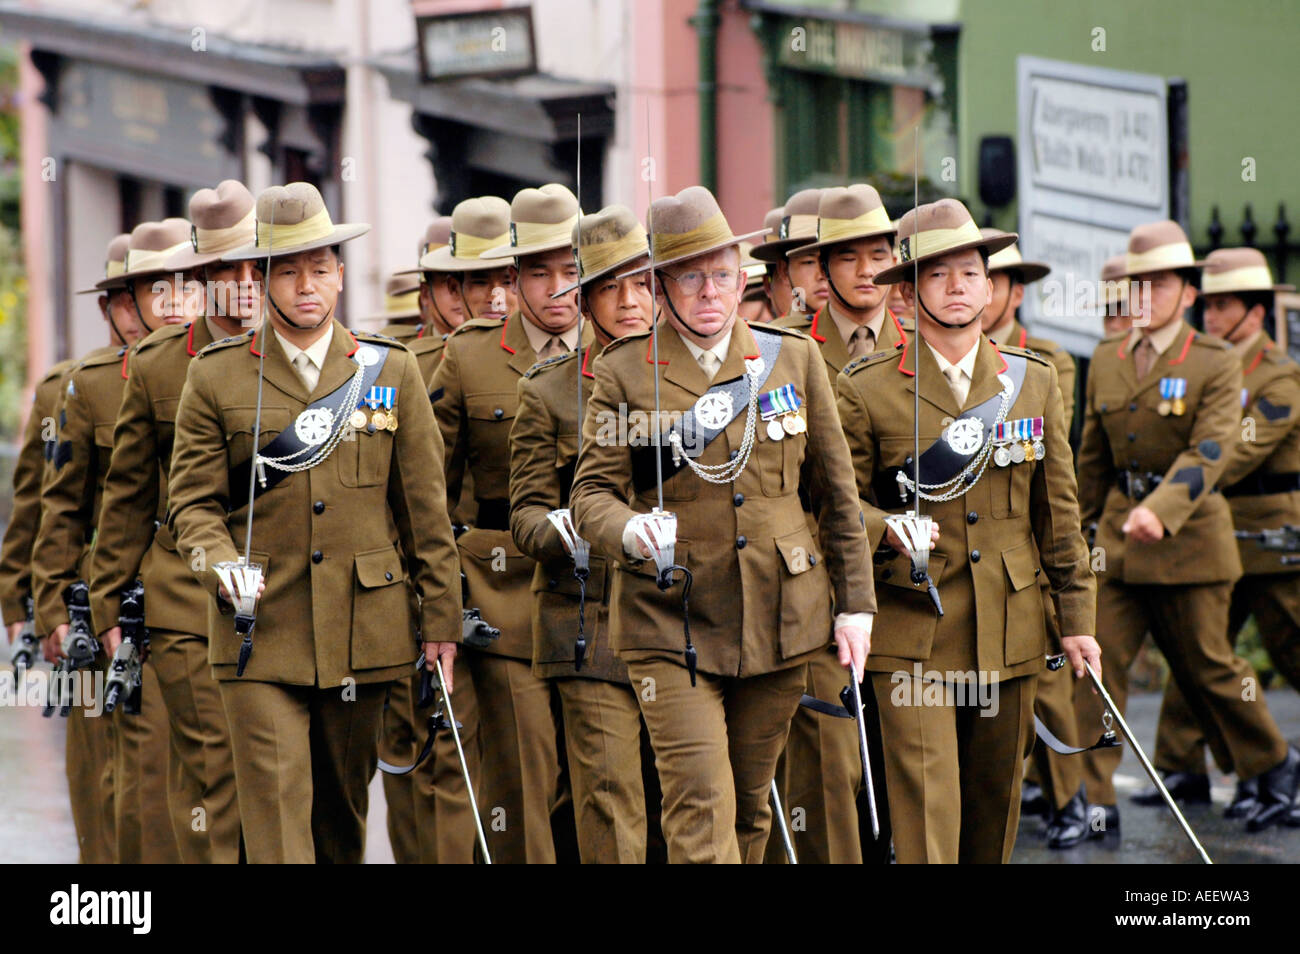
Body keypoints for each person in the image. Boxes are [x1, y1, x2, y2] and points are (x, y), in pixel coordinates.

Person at [570, 185, 875, 863]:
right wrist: (627, 531)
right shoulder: (623, 373)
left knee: (747, 807)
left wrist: (856, 606)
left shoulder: (788, 357)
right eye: (691, 276)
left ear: (744, 278)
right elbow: (591, 493)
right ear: (660, 287)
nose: (711, 291)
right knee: (701, 803)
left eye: (723, 274)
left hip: (779, 615)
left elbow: (835, 494)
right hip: (670, 617)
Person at [166, 182, 461, 863]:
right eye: (290, 269)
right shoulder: (215, 378)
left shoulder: (391, 370)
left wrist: (441, 622)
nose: (308, 285)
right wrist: (219, 566)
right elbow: (193, 505)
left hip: (365, 631)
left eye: (321, 267)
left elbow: (425, 513)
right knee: (274, 820)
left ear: (340, 273)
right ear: (260, 278)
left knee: (339, 825)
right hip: (258, 635)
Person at [837, 198, 1100, 863]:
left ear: (991, 286)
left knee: (991, 823)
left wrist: (1077, 618)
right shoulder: (865, 389)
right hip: (913, 631)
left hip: (1006, 630)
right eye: (939, 274)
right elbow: (836, 510)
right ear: (909, 291)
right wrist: (888, 525)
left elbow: (1058, 516)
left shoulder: (1031, 383)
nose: (958, 287)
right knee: (928, 824)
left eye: (971, 273)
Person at [1073, 220, 1300, 835]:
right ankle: (1095, 801)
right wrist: (1072, 532)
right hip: (1120, 541)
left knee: (1209, 669)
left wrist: (1163, 509)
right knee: (1096, 666)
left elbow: (1213, 450)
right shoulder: (1106, 359)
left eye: (1159, 283)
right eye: (1136, 284)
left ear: (1187, 293)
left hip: (1193, 538)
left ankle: (1274, 764)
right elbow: (1093, 460)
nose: (1144, 296)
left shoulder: (1216, 362)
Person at [88, 181, 260, 863]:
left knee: (279, 774)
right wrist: (107, 605)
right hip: (187, 597)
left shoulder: (308, 357)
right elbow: (126, 493)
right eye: (226, 271)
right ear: (200, 279)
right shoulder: (159, 367)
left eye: (255, 267)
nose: (244, 286)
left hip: (288, 593)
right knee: (215, 763)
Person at [431, 183, 584, 863]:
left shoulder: (626, 348)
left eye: (571, 270)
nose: (558, 288)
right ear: (514, 278)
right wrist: (442, 602)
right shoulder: (467, 356)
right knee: (524, 775)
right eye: (540, 272)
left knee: (599, 781)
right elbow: (429, 490)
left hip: (606, 588)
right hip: (507, 591)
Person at [509, 203, 664, 862]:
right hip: (589, 620)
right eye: (610, 287)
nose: (630, 302)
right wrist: (571, 530)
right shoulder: (546, 393)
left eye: (642, 283)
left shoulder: (704, 379)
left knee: (686, 800)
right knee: (608, 795)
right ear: (586, 300)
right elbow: (524, 515)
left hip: (687, 618)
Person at [33, 220, 190, 864]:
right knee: (121, 782)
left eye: (187, 286)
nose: (173, 302)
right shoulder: (91, 383)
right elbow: (59, 503)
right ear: (120, 303)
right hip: (117, 600)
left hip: (198, 592)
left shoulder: (229, 370)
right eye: (153, 291)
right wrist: (48, 607)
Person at [1137, 247, 1300, 825]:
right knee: (1197, 650)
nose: (1209, 314)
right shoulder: (1202, 365)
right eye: (1206, 303)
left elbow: (1235, 452)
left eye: (1223, 305)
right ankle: (1181, 765)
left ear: (1255, 315)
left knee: (1290, 649)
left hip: (1271, 540)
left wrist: (1174, 483)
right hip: (1217, 533)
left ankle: (1269, 772)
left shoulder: (1278, 376)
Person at [769, 182, 904, 863]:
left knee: (904, 772)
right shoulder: (785, 352)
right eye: (847, 258)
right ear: (820, 268)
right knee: (832, 764)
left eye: (879, 255)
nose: (865, 272)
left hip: (914, 592)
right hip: (822, 584)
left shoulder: (923, 339)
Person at [5, 233, 135, 863]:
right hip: (94, 592)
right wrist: (30, 603)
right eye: (130, 299)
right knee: (100, 764)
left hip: (177, 589)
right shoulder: (72, 386)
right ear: (110, 306)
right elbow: (39, 501)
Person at [977, 228, 1089, 848]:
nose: (977, 291)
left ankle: (1073, 800)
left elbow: (1051, 450)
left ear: (1014, 292)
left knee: (1045, 681)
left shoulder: (1045, 361)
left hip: (1029, 538)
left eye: (991, 280)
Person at [752, 189, 829, 324]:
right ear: (784, 271)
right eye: (809, 262)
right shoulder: (768, 342)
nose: (822, 274)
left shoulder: (863, 334)